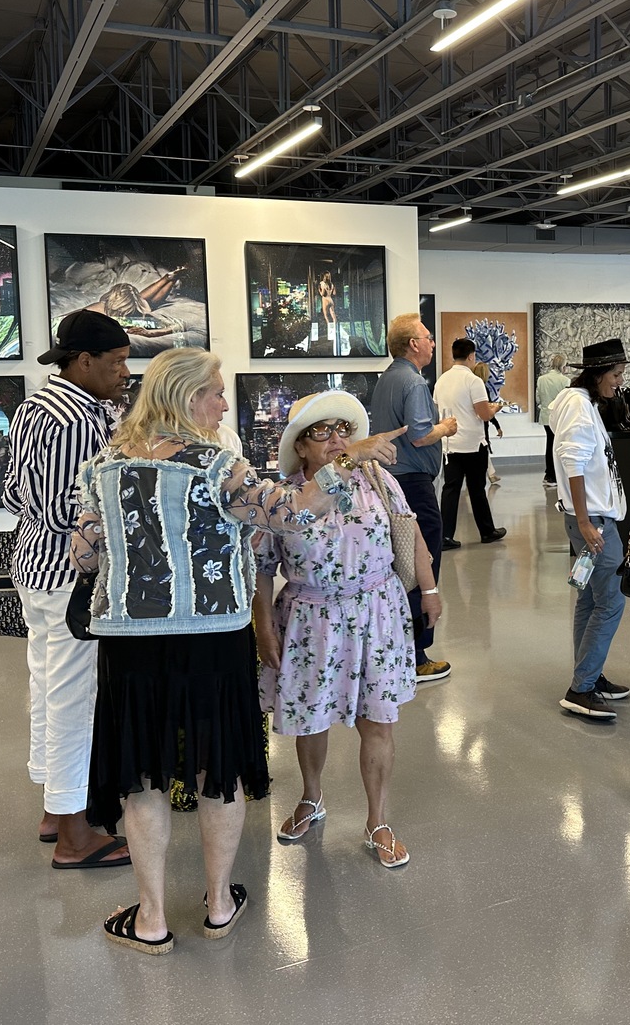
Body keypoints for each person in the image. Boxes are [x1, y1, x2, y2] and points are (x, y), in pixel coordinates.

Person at [73, 352, 400, 953]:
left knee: (143, 775)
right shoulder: (216, 464)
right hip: (212, 635)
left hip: (131, 643)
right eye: (216, 394)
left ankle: (150, 918)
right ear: (188, 396)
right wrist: (346, 461)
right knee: (213, 767)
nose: (224, 405)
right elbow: (288, 514)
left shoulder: (101, 467)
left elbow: (86, 555)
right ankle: (219, 904)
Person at [255, 392, 439, 868]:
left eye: (343, 430)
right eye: (322, 432)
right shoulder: (282, 496)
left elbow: (411, 530)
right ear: (300, 445)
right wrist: (262, 627)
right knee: (310, 719)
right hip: (309, 620)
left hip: (376, 614)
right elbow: (259, 566)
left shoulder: (376, 480)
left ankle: (378, 820)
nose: (337, 440)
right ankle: (312, 798)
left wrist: (431, 589)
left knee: (378, 721)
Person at [2, 309, 134, 869]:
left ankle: (55, 810)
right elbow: (67, 511)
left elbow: (13, 494)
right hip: (70, 578)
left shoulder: (36, 405)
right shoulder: (77, 420)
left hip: (35, 567)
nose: (125, 372)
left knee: (48, 689)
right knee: (73, 700)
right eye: (117, 362)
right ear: (84, 361)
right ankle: (75, 836)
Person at [369, 313, 458, 682]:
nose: (433, 342)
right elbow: (420, 435)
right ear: (413, 345)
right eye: (427, 337)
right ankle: (418, 654)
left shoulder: (387, 379)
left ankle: (400, 647)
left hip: (390, 480)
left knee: (398, 565)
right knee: (422, 564)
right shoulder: (413, 382)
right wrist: (446, 427)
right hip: (414, 484)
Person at [551, 338, 630, 720]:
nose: (619, 382)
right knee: (611, 602)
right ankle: (581, 687)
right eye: (616, 375)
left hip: (593, 518)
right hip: (594, 521)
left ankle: (589, 673)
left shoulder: (579, 403)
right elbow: (573, 463)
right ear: (599, 373)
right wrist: (585, 521)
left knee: (590, 600)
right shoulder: (579, 408)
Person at [433, 338, 506, 546]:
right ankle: (487, 531)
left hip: (450, 444)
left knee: (450, 490)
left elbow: (436, 409)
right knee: (476, 489)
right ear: (471, 356)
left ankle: (445, 536)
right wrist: (495, 408)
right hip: (473, 445)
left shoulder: (441, 380)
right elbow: (483, 414)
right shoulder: (473, 381)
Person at [536, 353, 569, 488]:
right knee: (558, 446)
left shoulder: (541, 379)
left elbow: (538, 398)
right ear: (563, 366)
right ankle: (556, 475)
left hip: (545, 416)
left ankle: (549, 474)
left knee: (550, 443)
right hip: (560, 417)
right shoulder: (565, 381)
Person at [471, 361, 503, 486]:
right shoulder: (482, 389)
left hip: (475, 423)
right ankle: (488, 475)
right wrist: (497, 425)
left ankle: (491, 474)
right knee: (482, 448)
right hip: (481, 424)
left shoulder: (471, 386)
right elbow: (487, 410)